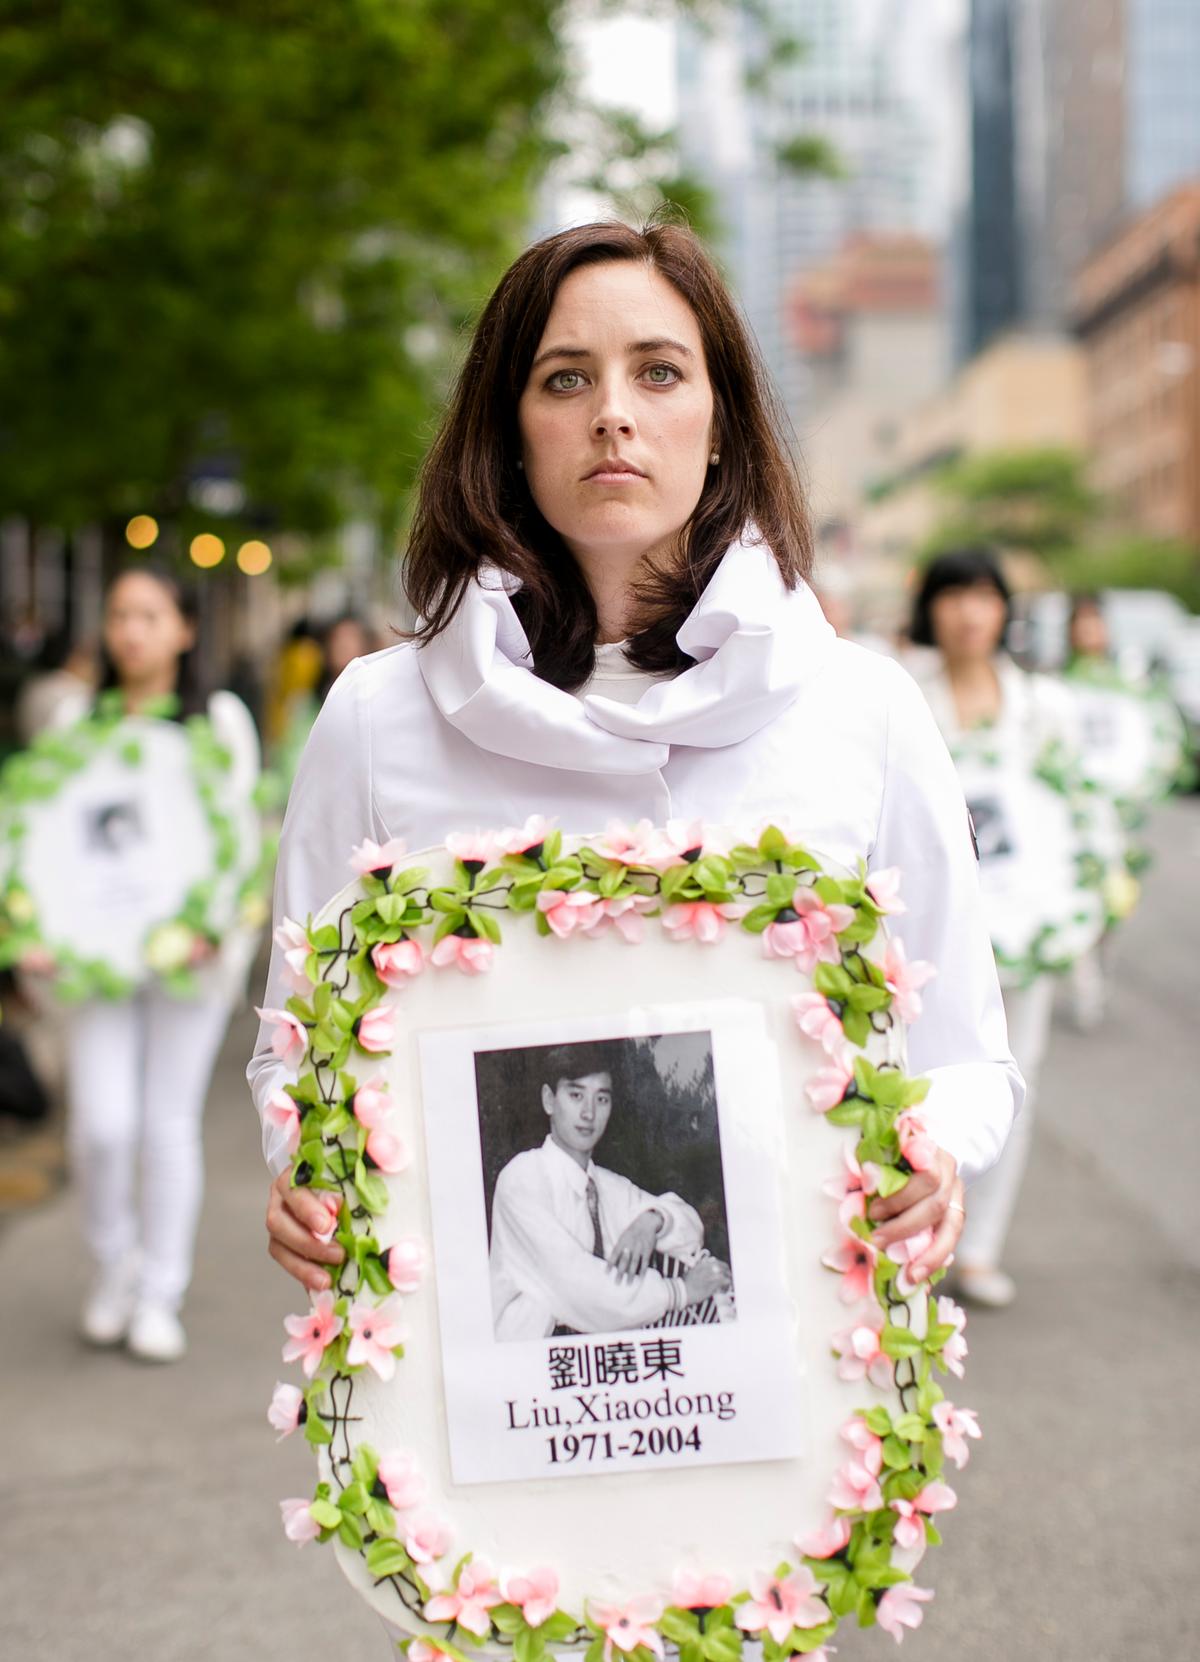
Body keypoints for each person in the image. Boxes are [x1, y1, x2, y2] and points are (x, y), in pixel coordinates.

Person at [253, 218, 1021, 1347]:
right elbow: (294, 1044)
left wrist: (933, 1154)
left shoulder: (863, 712)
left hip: (788, 1378)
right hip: (481, 1405)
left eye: (659, 371)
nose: (612, 410)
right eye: (565, 378)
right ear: (509, 433)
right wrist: (307, 1170)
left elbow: (967, 1060)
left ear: (721, 426)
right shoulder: (378, 717)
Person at [46, 565, 261, 1361]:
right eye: (118, 614)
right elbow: (49, 833)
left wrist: (216, 925)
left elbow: (240, 829)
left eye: (148, 614)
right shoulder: (78, 721)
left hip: (189, 956)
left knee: (168, 1122)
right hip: (97, 954)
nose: (130, 629)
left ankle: (159, 1292)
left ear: (183, 630)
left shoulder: (218, 720)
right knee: (103, 1125)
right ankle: (113, 1264)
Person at [906, 549, 1078, 1309]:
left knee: (1016, 1078)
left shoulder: (1043, 707)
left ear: (1006, 609)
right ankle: (914, 1227)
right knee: (922, 1075)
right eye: (953, 595)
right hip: (930, 928)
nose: (969, 613)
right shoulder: (903, 696)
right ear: (930, 608)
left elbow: (1076, 811)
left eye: (983, 596)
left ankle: (979, 1249)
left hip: (1025, 925)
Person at [489, 1043, 728, 1339]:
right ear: (549, 1100)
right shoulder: (523, 1177)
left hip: (602, 1363)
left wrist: (652, 1221)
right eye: (576, 1095)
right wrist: (678, 1292)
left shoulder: (609, 1186)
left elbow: (690, 1228)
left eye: (601, 1099)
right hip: (529, 1364)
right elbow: (576, 1285)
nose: (589, 1113)